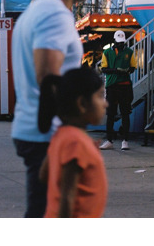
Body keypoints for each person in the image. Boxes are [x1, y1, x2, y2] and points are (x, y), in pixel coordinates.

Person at [11, 0, 95, 217]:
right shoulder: (54, 14)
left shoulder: (38, 9)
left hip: (39, 130)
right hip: (48, 135)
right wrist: (63, 137)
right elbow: (47, 77)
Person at [38, 67, 108, 217]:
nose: (105, 104)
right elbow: (68, 197)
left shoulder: (62, 135)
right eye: (100, 96)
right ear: (82, 104)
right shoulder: (77, 142)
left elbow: (44, 175)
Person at [99, 30, 137, 151]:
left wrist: (126, 70)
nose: (121, 44)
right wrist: (116, 70)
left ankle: (125, 141)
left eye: (122, 42)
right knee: (110, 114)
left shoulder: (129, 52)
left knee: (125, 113)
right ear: (115, 41)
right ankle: (109, 140)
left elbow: (133, 67)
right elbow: (104, 68)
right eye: (119, 42)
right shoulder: (107, 53)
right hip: (111, 85)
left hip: (125, 85)